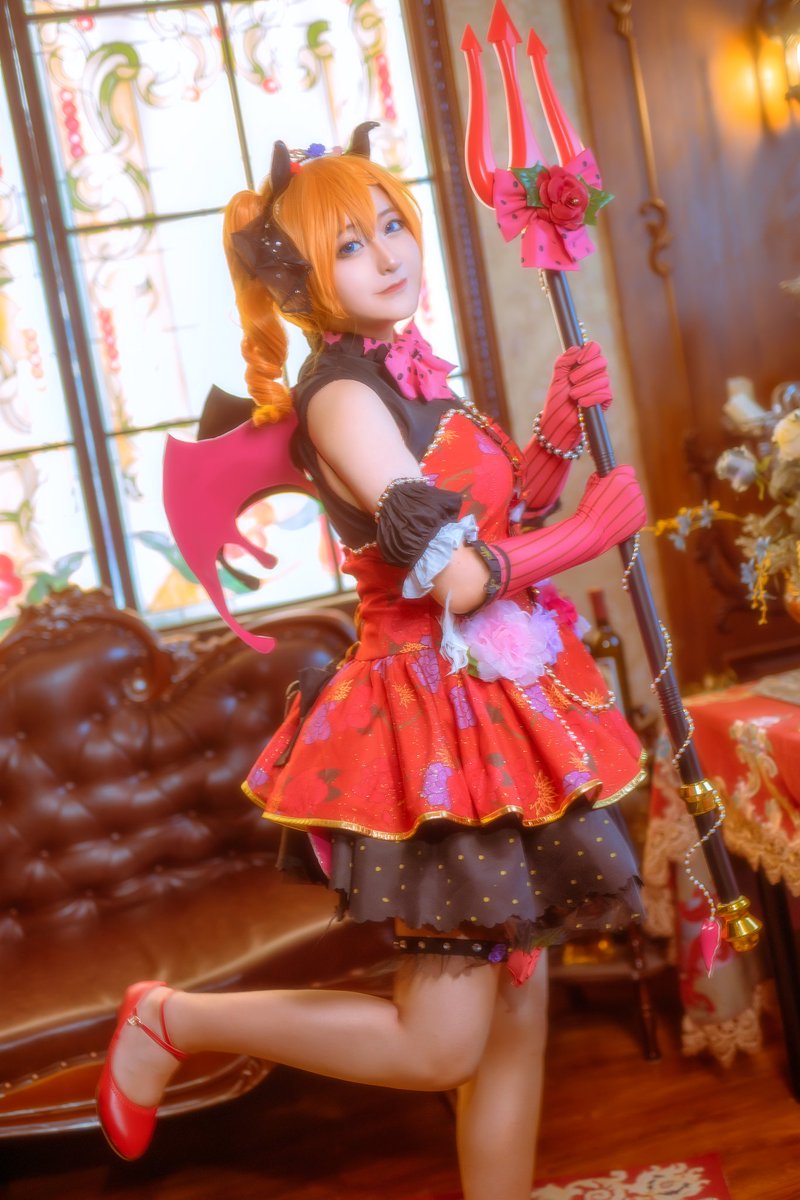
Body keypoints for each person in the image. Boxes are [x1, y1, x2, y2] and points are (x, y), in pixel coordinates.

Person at [97, 124, 647, 1200]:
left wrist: (549, 431)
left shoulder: (417, 372)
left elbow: (492, 520)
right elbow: (457, 578)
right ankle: (171, 1020)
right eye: (351, 244)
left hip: (494, 710)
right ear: (306, 278)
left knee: (518, 1009)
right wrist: (589, 532)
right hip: (431, 727)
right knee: (440, 1044)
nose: (390, 253)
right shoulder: (343, 397)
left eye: (394, 223)